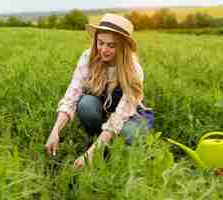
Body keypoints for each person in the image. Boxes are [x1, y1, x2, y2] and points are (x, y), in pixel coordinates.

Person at [45, 13, 154, 169]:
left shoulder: (133, 70)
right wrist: (55, 131)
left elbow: (120, 116)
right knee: (85, 104)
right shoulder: (88, 57)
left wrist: (90, 155)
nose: (103, 49)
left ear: (122, 47)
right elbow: (72, 94)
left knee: (130, 133)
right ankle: (97, 139)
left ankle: (105, 147)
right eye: (100, 43)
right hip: (103, 108)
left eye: (111, 45)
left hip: (128, 115)